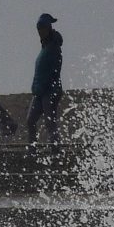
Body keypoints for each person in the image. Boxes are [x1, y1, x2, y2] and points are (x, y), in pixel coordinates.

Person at [26, 13, 63, 145]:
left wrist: (48, 87)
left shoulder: (54, 47)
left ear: (48, 29)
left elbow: (55, 70)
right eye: (38, 30)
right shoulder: (45, 47)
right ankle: (32, 149)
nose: (40, 32)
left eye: (42, 29)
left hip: (49, 91)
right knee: (30, 121)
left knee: (50, 122)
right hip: (39, 92)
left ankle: (55, 149)